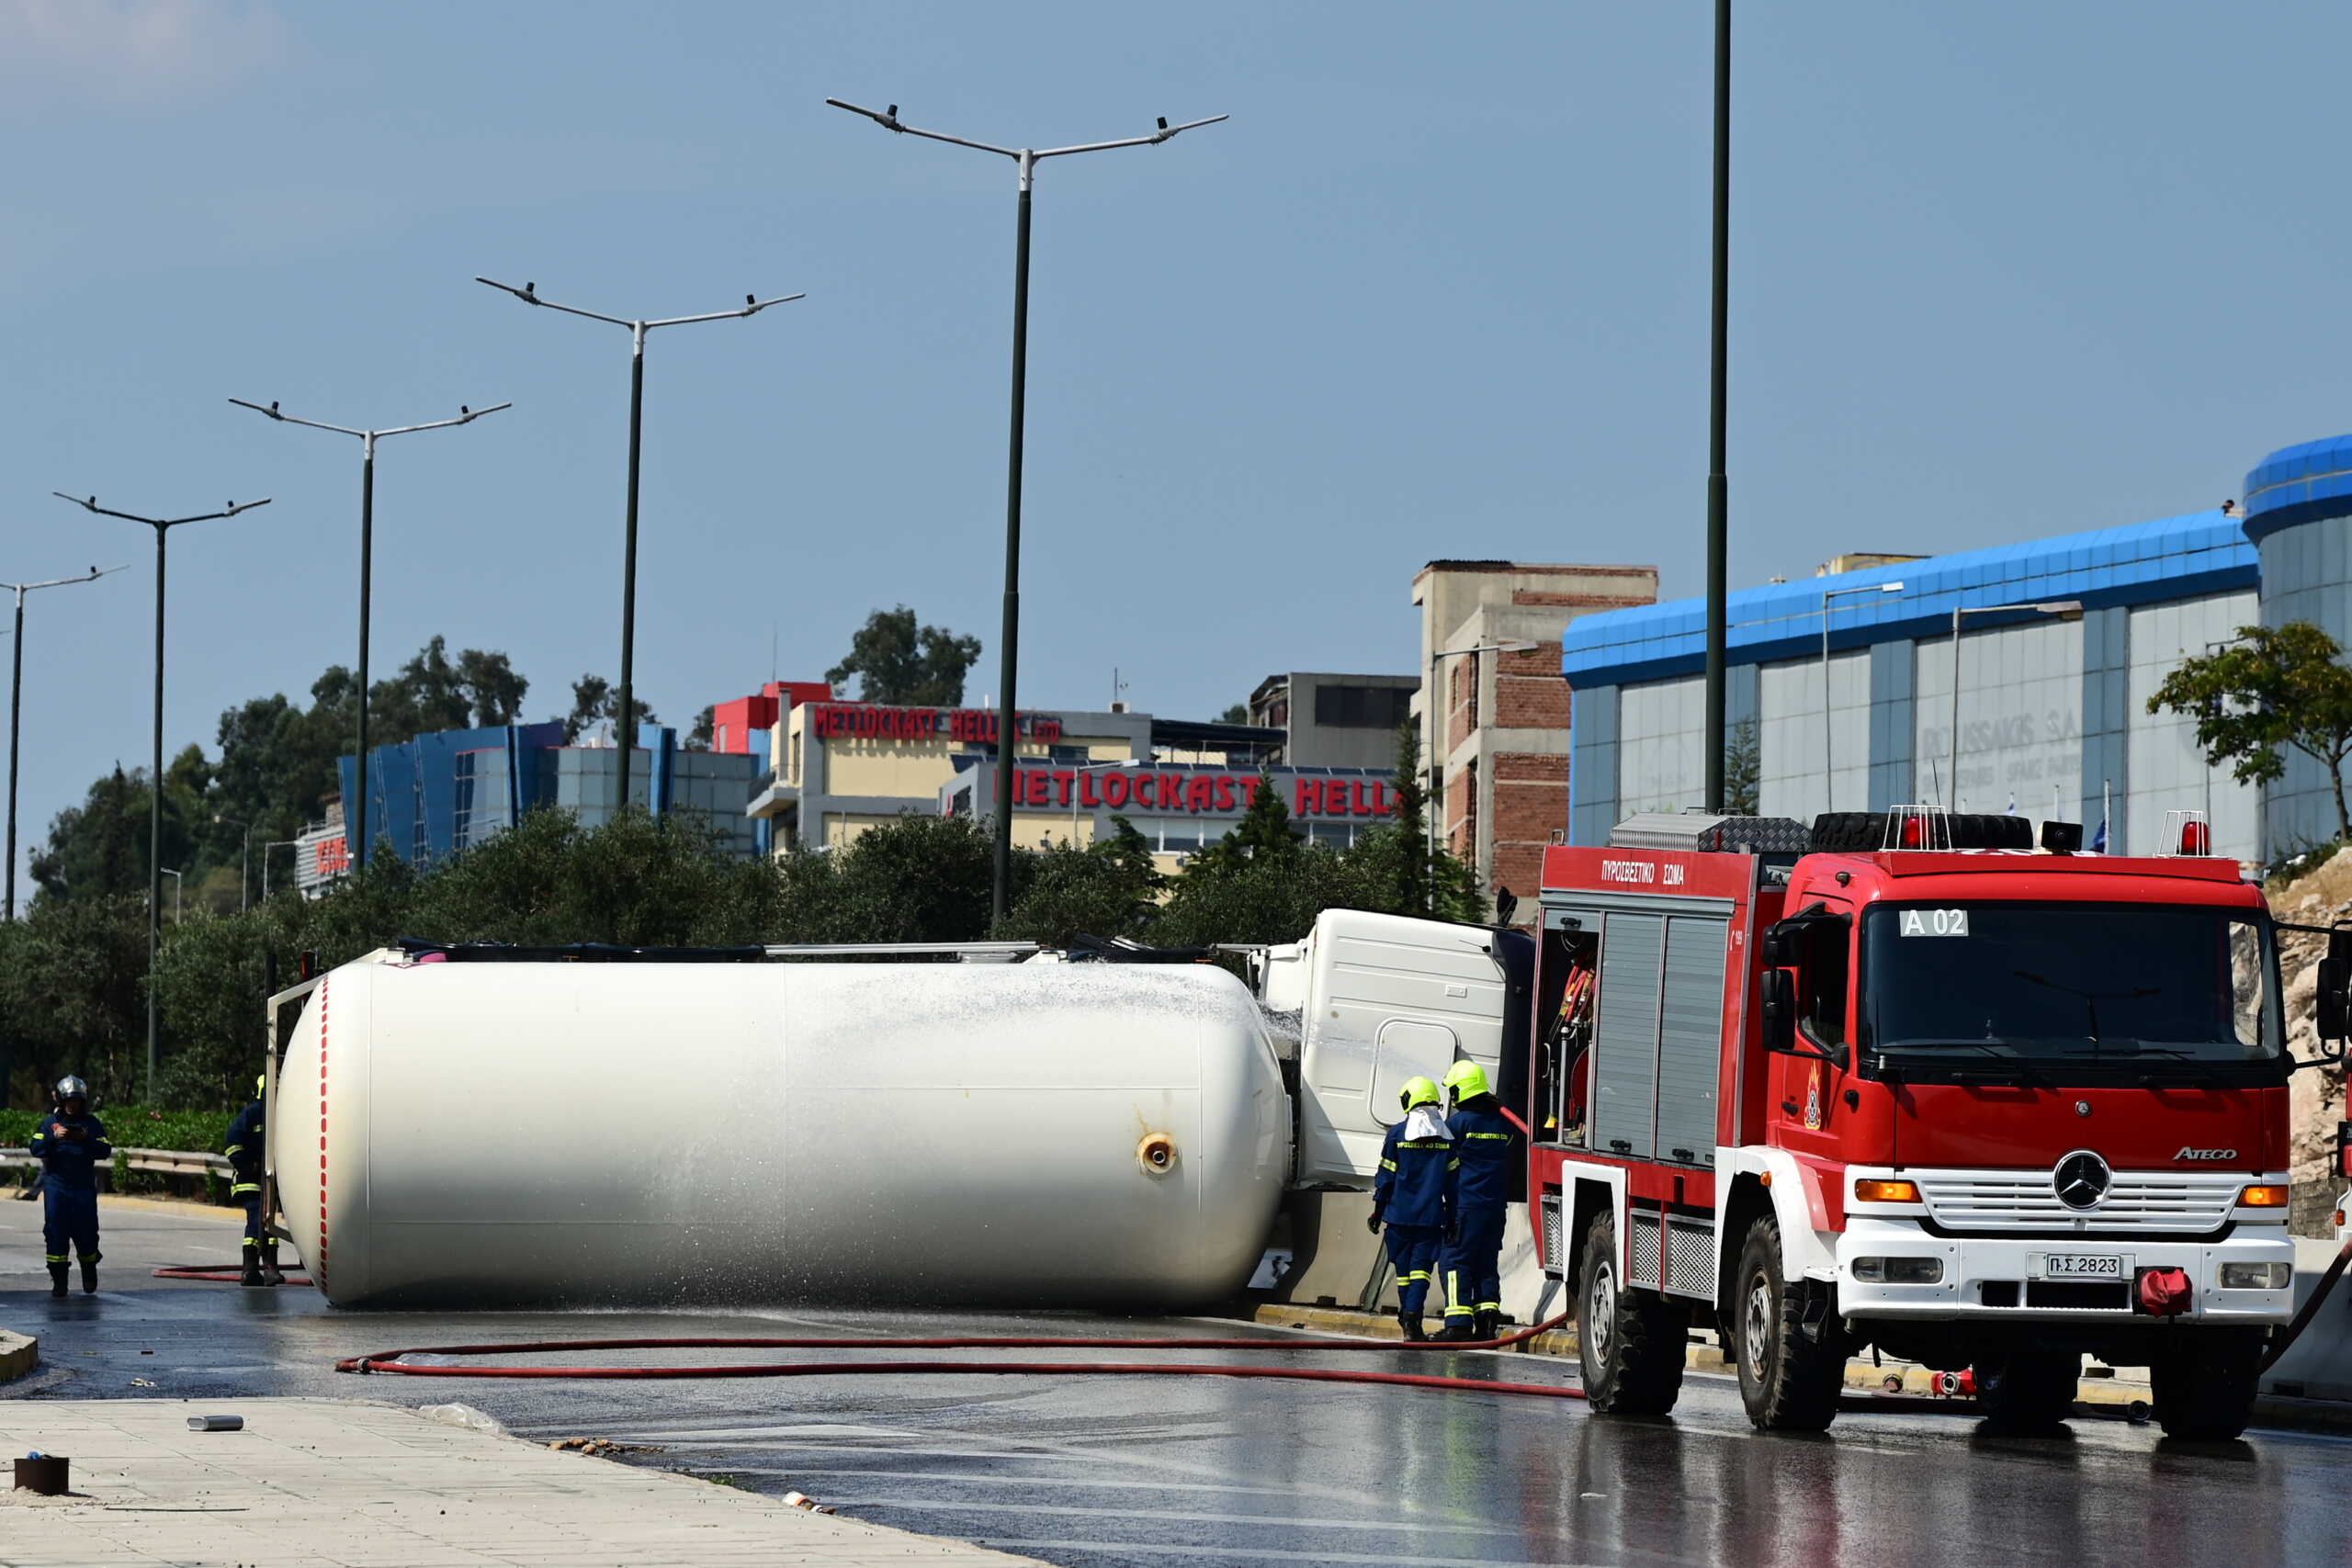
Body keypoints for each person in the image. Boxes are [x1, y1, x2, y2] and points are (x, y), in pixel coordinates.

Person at [1368, 1076, 1454, 1342]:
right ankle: (1412, 1321)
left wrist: (1377, 1212)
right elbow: (1453, 1185)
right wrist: (1452, 1216)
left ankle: (1409, 1319)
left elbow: (1386, 1179)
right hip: (1430, 1219)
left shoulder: (1396, 1135)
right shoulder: (1446, 1138)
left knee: (1404, 1273)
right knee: (1420, 1274)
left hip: (1398, 1218)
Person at [1437, 1059, 1517, 1343]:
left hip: (1465, 1207)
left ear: (1461, 1090)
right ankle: (1486, 1324)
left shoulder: (1457, 1124)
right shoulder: (1503, 1123)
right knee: (1485, 1262)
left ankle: (1458, 1324)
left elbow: (1441, 1162)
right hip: (1495, 1207)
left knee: (1454, 1261)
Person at [28, 1076, 110, 1297]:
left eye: (76, 1101)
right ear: (62, 1101)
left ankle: (89, 1269)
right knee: (55, 1232)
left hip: (83, 1188)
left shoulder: (92, 1124)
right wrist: (53, 1137)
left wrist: (85, 1139)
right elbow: (35, 1147)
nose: (72, 1105)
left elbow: (105, 1150)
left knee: (87, 1233)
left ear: (83, 1101)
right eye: (69, 1101)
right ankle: (59, 1281)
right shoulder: (49, 1123)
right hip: (57, 1187)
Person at [224, 1076, 277, 1286]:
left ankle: (265, 1268)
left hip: (269, 1180)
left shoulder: (279, 1115)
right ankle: (253, 1268)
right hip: (249, 1181)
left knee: (269, 1222)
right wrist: (248, 1166)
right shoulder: (252, 1113)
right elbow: (232, 1145)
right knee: (258, 1218)